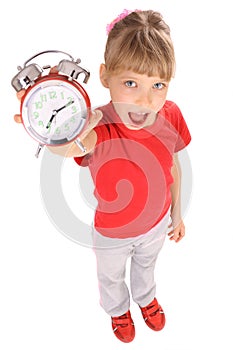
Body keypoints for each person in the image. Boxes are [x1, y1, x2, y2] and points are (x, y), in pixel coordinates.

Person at [15, 9, 191, 343]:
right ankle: (117, 309)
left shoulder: (171, 115)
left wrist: (177, 213)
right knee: (110, 276)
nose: (145, 100)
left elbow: (173, 165)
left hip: (155, 224)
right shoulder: (97, 125)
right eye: (130, 83)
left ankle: (146, 298)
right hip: (113, 233)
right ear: (105, 76)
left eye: (158, 85)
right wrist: (49, 131)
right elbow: (69, 147)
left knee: (146, 266)